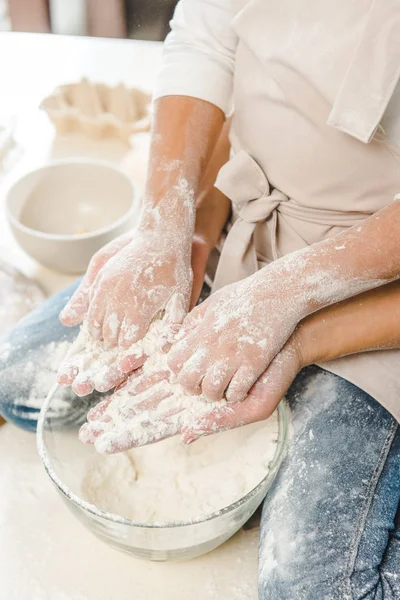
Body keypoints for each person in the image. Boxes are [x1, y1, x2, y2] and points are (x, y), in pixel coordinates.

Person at [1, 0, 400, 597]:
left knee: (313, 586)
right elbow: (209, 47)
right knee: (17, 382)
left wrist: (294, 329)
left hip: (371, 301)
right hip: (241, 223)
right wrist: (174, 235)